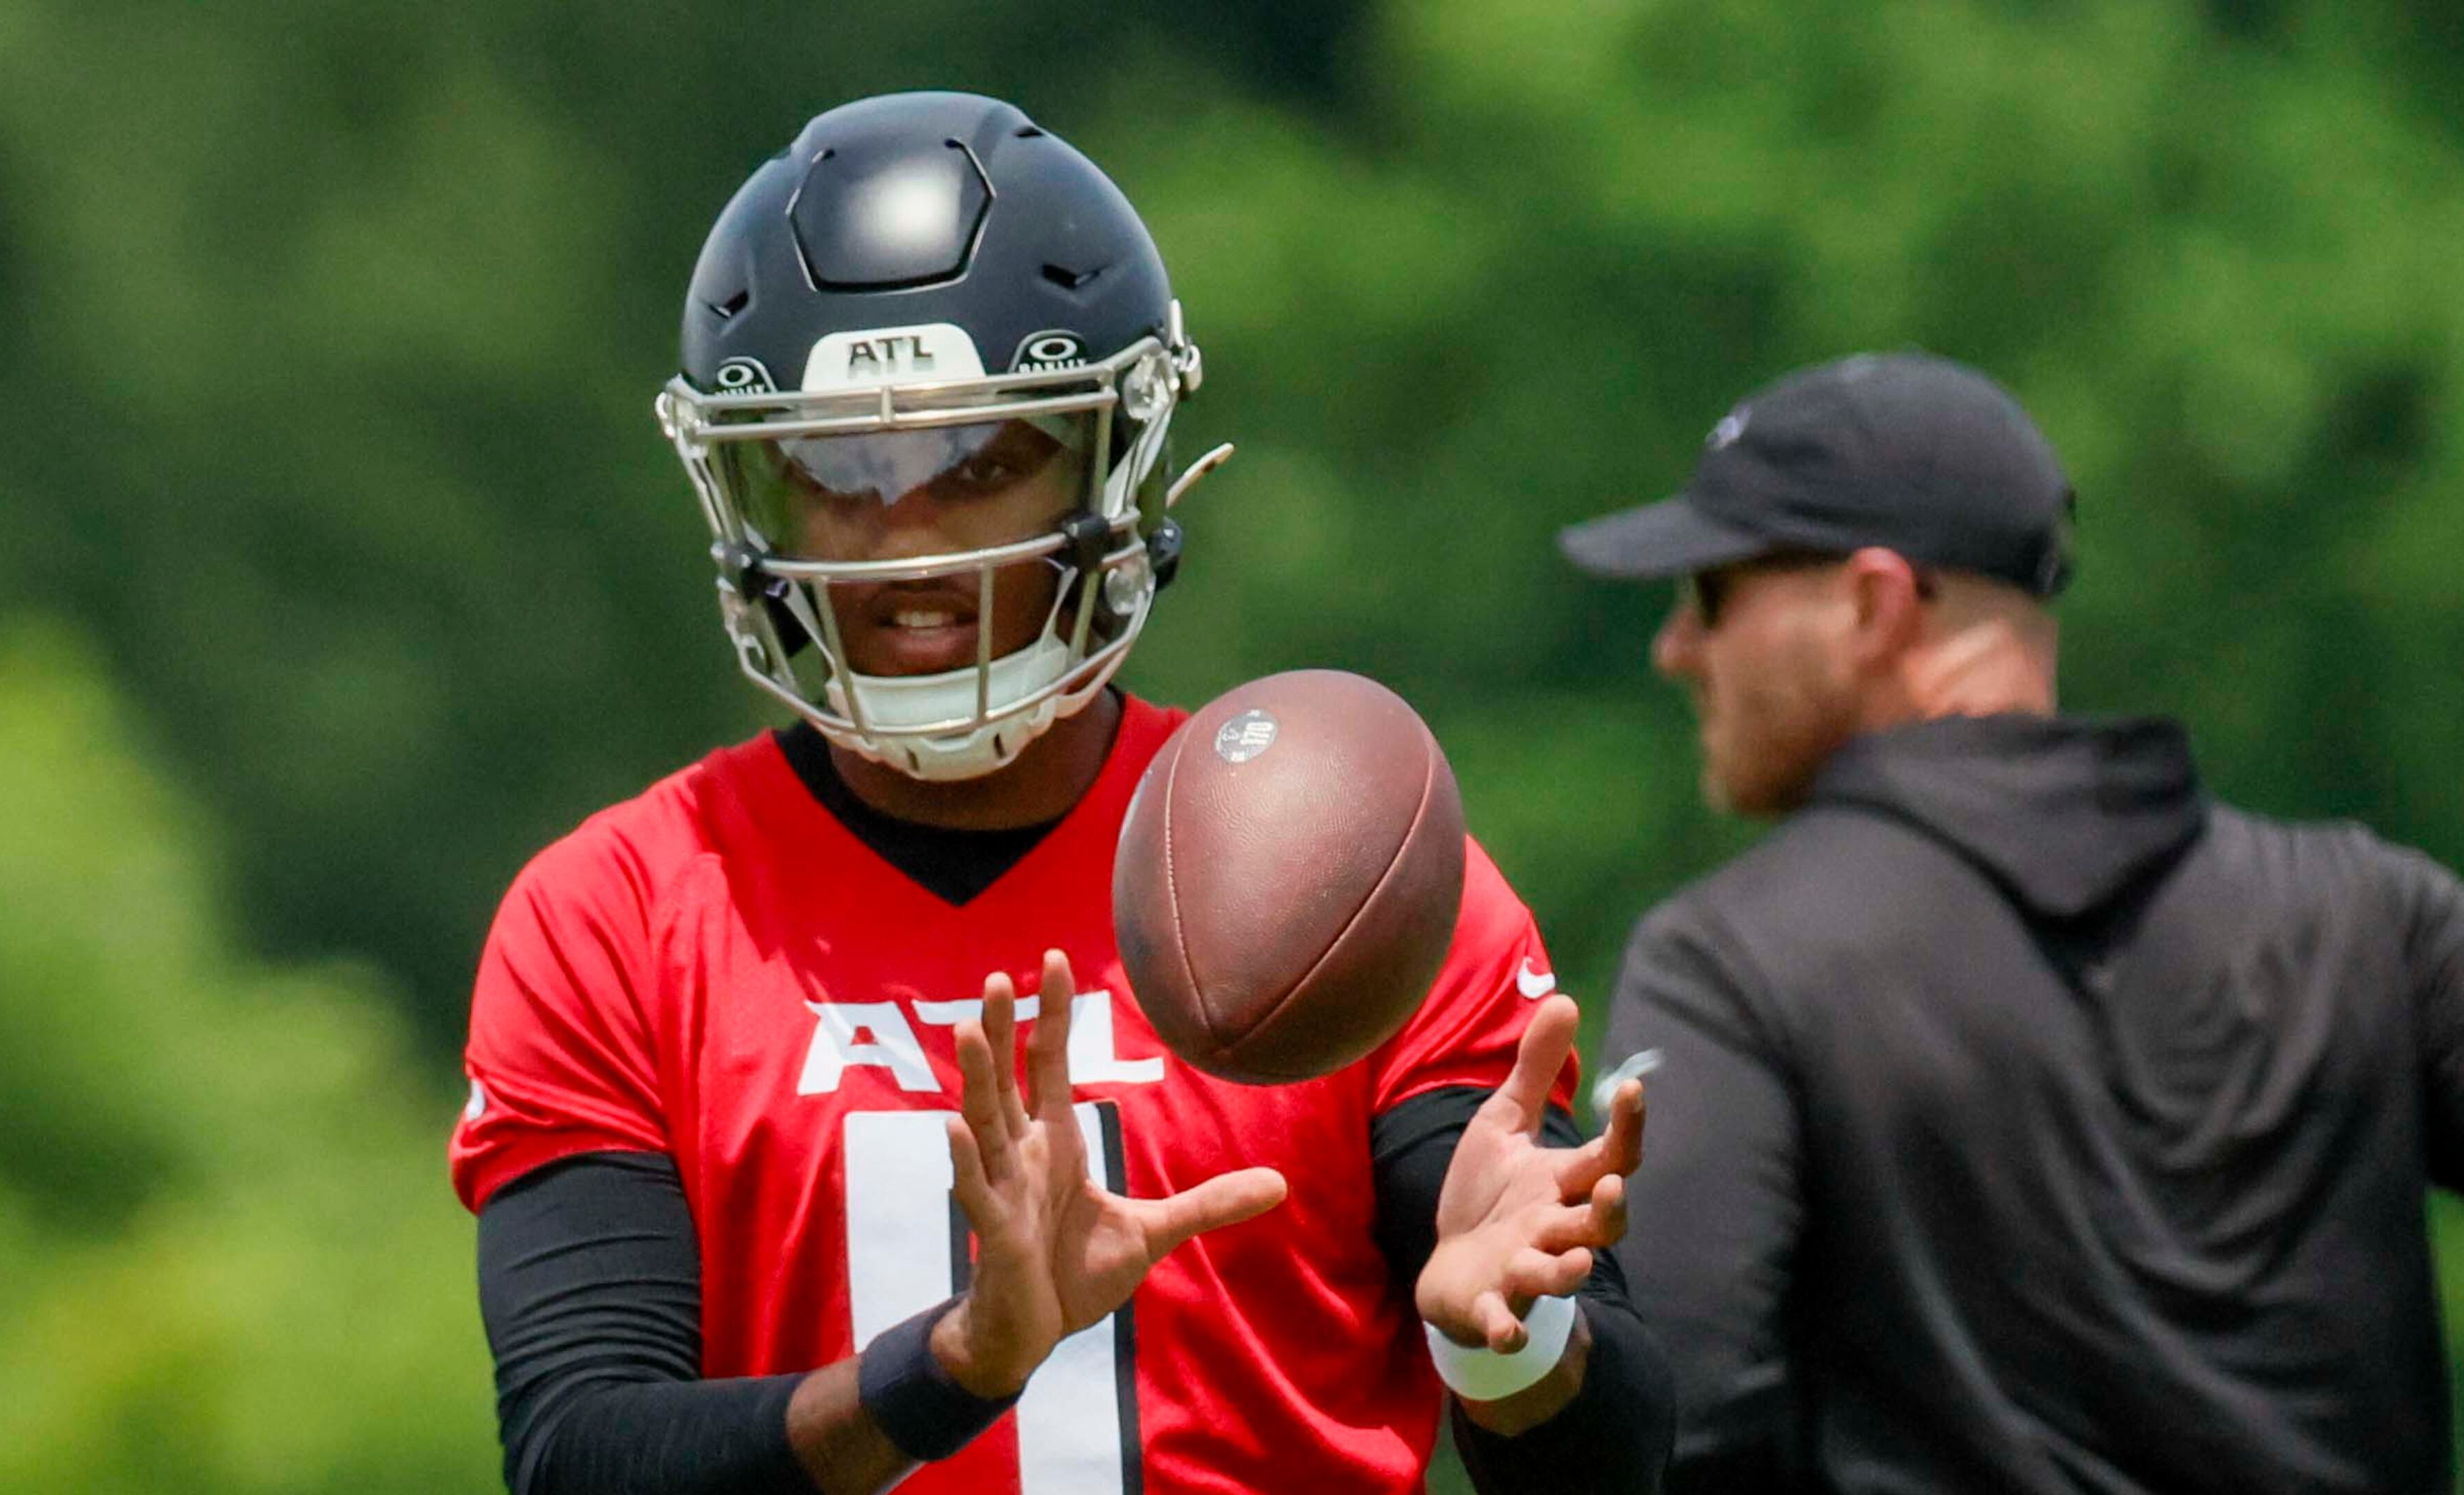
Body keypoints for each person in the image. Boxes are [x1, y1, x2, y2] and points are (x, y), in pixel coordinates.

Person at [449, 91, 1671, 1495]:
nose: (904, 540)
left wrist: (1511, 1339)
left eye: (980, 460)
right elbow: (578, 1458)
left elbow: (1615, 1465)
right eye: (838, 464)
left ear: (1113, 466)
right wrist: (952, 1367)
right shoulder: (616, 917)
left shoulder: (1332, 867)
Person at [1554, 348, 2464, 1494]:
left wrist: (1505, 1359)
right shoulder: (2365, 911)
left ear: (1876, 603)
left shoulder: (1729, 963)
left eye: (1712, 595)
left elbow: (1670, 1436)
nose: (1675, 647)